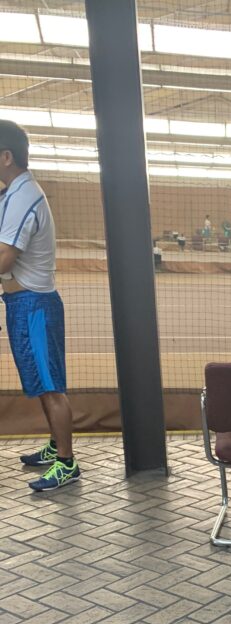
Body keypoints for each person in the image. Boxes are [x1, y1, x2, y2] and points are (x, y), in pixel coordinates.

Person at [0, 120, 80, 491]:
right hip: (22, 303)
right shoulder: (12, 194)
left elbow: (5, 257)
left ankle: (66, 463)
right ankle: (54, 445)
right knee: (39, 382)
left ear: (6, 157)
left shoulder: (23, 197)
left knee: (50, 386)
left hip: (34, 306)